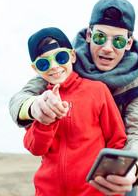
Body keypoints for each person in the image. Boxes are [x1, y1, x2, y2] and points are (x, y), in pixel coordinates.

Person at [9, 0, 138, 196]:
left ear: (128, 43)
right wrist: (36, 107)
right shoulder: (61, 63)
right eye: (100, 38)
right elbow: (22, 97)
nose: (107, 48)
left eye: (118, 41)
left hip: (117, 166)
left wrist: (132, 169)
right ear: (89, 35)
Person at [23, 26, 127, 196]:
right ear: (36, 69)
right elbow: (35, 148)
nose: (54, 66)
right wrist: (47, 119)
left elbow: (117, 140)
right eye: (44, 63)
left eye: (61, 57)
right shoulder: (39, 100)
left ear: (72, 56)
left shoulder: (96, 90)